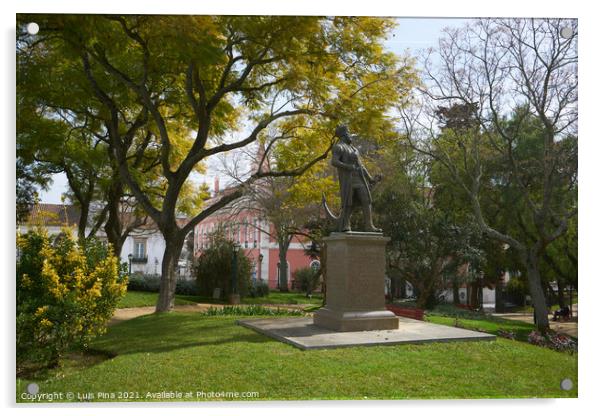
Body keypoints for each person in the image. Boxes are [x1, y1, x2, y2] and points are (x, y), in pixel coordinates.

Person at [330, 125, 381, 232]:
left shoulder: (354, 149)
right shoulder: (339, 147)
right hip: (348, 180)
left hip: (360, 179)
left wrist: (370, 178)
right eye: (349, 133)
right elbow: (334, 161)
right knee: (349, 203)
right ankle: (346, 225)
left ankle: (369, 225)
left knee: (366, 200)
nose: (351, 136)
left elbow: (361, 166)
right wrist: (347, 166)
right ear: (344, 135)